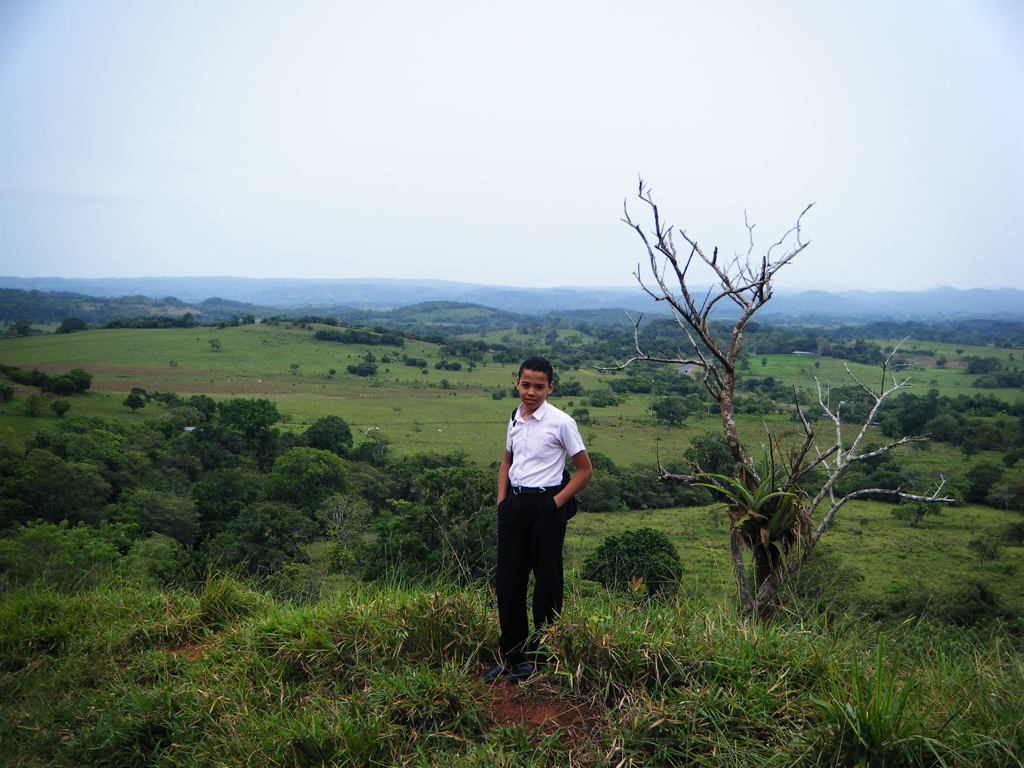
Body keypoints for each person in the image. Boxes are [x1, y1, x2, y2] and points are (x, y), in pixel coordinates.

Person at [484, 356, 593, 682]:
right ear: (517, 382)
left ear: (550, 388)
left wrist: (555, 503)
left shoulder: (561, 422)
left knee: (547, 584)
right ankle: (513, 656)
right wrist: (502, 501)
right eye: (526, 384)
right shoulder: (515, 417)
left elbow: (585, 470)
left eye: (539, 386)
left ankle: (545, 656)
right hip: (515, 506)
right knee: (509, 584)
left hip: (546, 506)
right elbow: (506, 460)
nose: (531, 392)